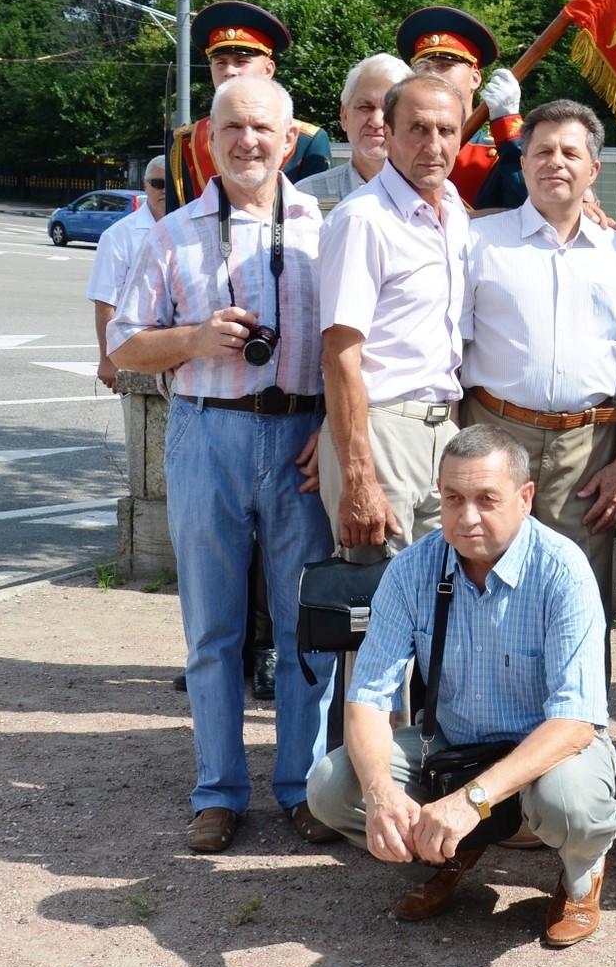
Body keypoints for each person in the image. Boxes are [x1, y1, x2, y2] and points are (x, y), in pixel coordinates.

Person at [108, 75, 337, 853]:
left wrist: (335, 428)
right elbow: (125, 345)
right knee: (214, 627)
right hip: (209, 433)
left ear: (287, 140)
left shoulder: (320, 226)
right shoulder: (170, 234)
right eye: (232, 126)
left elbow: (353, 343)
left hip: (302, 436)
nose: (248, 141)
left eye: (263, 128)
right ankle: (218, 790)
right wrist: (196, 339)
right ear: (209, 139)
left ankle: (304, 786)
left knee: (308, 627)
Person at [304, 425, 616, 945]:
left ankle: (581, 874)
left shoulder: (564, 571)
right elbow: (367, 698)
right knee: (332, 786)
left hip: (551, 748)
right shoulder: (412, 568)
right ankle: (445, 855)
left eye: (486, 499)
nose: (466, 516)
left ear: (525, 499)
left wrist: (470, 800)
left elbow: (575, 722)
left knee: (571, 805)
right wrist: (383, 794)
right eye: (453, 498)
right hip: (452, 742)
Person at [460, 99, 616, 613]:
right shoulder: (477, 241)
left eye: (570, 152)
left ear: (594, 168)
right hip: (494, 432)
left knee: (578, 595)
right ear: (521, 163)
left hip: (587, 447)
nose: (554, 162)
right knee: (485, 583)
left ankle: (577, 695)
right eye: (541, 150)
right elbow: (449, 351)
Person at [317, 73, 469, 563]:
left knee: (438, 605)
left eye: (446, 130)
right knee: (376, 613)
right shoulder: (364, 220)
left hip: (442, 434)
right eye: (418, 129)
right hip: (381, 435)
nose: (433, 144)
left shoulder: (455, 213)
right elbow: (340, 356)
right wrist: (358, 475)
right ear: (389, 131)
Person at [164, 1, 332, 207]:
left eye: (241, 61)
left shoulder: (307, 143)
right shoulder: (185, 143)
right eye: (220, 62)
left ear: (268, 70)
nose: (229, 71)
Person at [394, 6, 525, 210]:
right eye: (423, 66)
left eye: (445, 64)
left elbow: (531, 206)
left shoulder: (498, 152)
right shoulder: (397, 146)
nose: (433, 74)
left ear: (475, 78)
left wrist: (508, 126)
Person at [89, 158, 168, 391]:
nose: (165, 190)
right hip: (137, 347)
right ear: (146, 186)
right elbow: (105, 301)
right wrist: (107, 359)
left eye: (171, 184)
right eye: (158, 183)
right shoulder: (119, 236)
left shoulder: (194, 229)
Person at [298, 52, 412, 206]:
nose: (376, 121)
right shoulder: (306, 196)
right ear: (344, 116)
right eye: (365, 107)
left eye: (389, 109)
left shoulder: (435, 197)